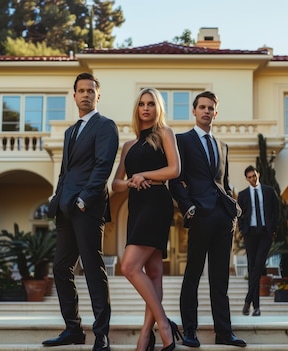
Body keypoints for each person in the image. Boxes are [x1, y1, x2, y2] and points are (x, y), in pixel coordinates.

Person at [43, 72, 119, 351]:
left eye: (91, 90)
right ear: (73, 95)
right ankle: (73, 329)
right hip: (65, 209)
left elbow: (103, 167)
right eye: (81, 90)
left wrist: (84, 199)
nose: (86, 94)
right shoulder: (70, 132)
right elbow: (66, 171)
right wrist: (57, 199)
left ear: (98, 95)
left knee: (92, 267)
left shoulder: (106, 126)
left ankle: (102, 334)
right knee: (61, 268)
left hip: (87, 207)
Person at [169, 91, 247, 348]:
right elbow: (175, 180)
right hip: (199, 215)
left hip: (223, 218)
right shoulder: (182, 141)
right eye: (201, 107)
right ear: (194, 111)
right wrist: (188, 207)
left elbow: (223, 183)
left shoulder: (222, 145)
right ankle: (189, 331)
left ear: (216, 112)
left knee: (220, 279)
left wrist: (232, 209)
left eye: (210, 107)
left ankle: (224, 332)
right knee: (192, 275)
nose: (206, 111)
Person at [111, 88, 182, 351]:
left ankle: (162, 326)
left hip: (156, 203)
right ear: (137, 108)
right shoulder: (128, 145)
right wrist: (131, 180)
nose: (146, 108)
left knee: (129, 266)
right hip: (136, 205)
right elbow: (115, 184)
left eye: (151, 103)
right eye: (142, 103)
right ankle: (146, 335)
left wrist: (144, 175)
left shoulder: (165, 134)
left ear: (158, 108)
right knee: (153, 273)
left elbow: (174, 170)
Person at [237, 165, 280, 316]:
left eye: (254, 176)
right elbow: (239, 214)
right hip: (250, 234)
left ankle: (248, 301)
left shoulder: (269, 191)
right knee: (252, 268)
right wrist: (243, 230)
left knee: (259, 265)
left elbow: (277, 211)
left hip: (265, 233)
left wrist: (273, 229)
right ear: (246, 178)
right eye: (249, 177)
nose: (252, 179)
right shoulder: (242, 195)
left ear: (258, 174)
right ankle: (256, 307)